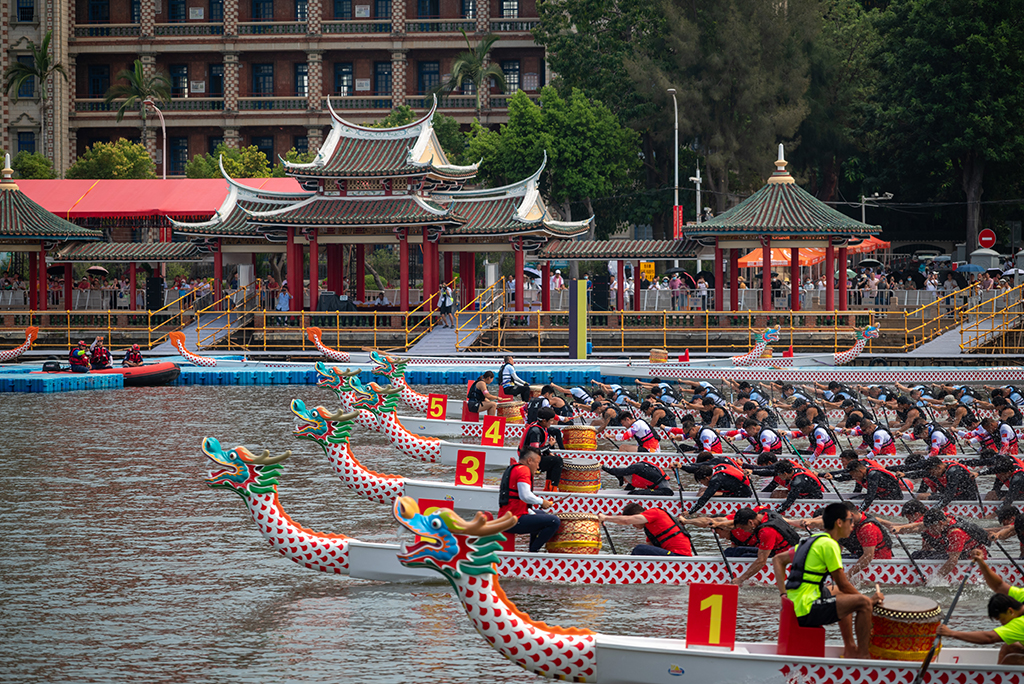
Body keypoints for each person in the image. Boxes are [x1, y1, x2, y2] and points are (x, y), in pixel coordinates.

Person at [773, 502, 884, 659]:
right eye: (850, 521)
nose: (852, 526)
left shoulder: (813, 540)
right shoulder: (830, 545)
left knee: (843, 595)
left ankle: (850, 648)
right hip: (805, 609)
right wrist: (869, 600)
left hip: (794, 601)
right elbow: (844, 584)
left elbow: (778, 559)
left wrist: (783, 593)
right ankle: (863, 656)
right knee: (863, 603)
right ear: (839, 523)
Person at [936, 550, 1024, 664]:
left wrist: (951, 633)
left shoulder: (1020, 624)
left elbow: (990, 638)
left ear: (1010, 611)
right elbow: (999, 586)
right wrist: (981, 562)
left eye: (1002, 619)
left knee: (1011, 659)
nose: (1002, 624)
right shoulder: (1021, 595)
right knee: (1009, 647)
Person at [497, 449, 561, 553]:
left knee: (540, 514)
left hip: (507, 518)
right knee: (554, 521)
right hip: (513, 521)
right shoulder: (524, 470)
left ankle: (532, 549)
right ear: (529, 461)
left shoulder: (514, 468)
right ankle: (533, 552)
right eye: (537, 463)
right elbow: (525, 496)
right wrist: (542, 502)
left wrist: (534, 510)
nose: (538, 467)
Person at [729, 506, 801, 585]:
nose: (743, 530)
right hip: (787, 550)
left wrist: (740, 579)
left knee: (744, 555)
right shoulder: (766, 514)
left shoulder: (766, 531)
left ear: (750, 522)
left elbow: (761, 561)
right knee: (734, 551)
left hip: (783, 557)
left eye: (743, 528)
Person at [599, 502, 694, 556]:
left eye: (634, 522)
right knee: (642, 550)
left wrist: (606, 518)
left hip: (680, 556)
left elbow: (627, 520)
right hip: (673, 556)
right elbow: (650, 549)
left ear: (637, 516)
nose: (633, 526)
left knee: (639, 549)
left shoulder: (654, 512)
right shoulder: (649, 530)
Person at [517, 407, 564, 489]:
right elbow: (535, 452)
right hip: (528, 461)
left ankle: (548, 486)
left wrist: (549, 452)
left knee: (554, 458)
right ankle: (553, 488)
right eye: (551, 421)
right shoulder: (535, 431)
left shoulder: (540, 426)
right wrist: (549, 445)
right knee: (557, 461)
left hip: (530, 457)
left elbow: (540, 448)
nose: (552, 422)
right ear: (544, 421)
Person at [687, 461, 753, 514]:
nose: (702, 484)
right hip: (737, 489)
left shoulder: (715, 479)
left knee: (704, 494)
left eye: (701, 482)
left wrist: (690, 511)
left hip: (743, 495)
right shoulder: (715, 470)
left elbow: (704, 498)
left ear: (707, 478)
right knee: (703, 490)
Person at [602, 461, 674, 496]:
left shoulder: (636, 468)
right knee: (632, 492)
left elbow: (618, 471)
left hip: (666, 491)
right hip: (659, 489)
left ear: (626, 475)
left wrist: (604, 468)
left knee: (634, 493)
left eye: (624, 480)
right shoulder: (634, 477)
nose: (626, 482)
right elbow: (627, 490)